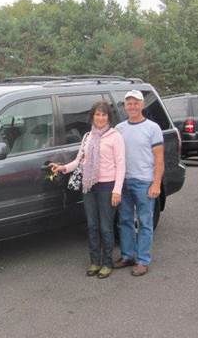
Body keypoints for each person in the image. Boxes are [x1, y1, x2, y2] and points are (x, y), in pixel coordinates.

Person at [51, 101, 125, 279]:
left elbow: (121, 165)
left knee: (106, 227)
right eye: (97, 115)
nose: (100, 118)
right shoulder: (87, 137)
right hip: (88, 186)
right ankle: (95, 261)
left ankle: (107, 263)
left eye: (104, 115)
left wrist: (117, 190)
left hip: (107, 186)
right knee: (92, 226)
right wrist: (63, 168)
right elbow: (79, 161)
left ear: (108, 117)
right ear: (92, 117)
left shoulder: (115, 137)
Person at [114, 90, 164, 276]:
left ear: (142, 105)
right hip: (124, 182)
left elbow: (159, 160)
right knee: (125, 220)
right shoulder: (119, 128)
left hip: (144, 182)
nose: (132, 106)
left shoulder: (153, 128)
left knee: (145, 222)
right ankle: (127, 256)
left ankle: (143, 260)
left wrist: (156, 183)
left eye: (136, 103)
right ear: (125, 106)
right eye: (129, 103)